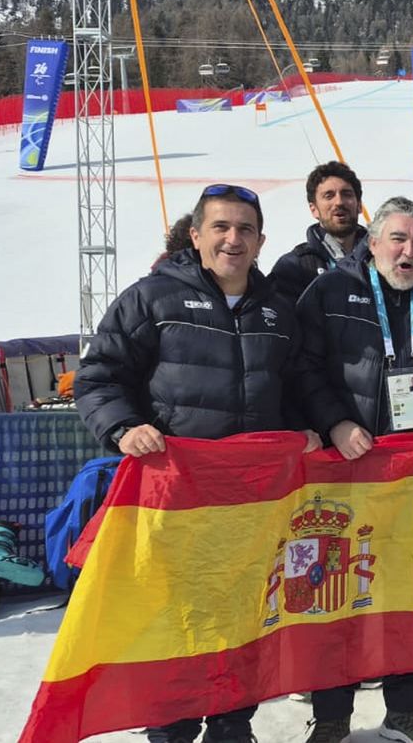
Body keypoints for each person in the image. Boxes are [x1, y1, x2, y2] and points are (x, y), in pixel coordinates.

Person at [75, 183, 317, 743]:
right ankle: (172, 728)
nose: (233, 240)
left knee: (246, 616)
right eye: (221, 228)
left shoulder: (278, 311)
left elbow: (300, 383)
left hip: (254, 503)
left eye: (245, 230)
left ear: (261, 241)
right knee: (175, 620)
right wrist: (122, 427)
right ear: (196, 235)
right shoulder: (153, 298)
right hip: (177, 499)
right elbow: (98, 377)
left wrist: (311, 429)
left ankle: (233, 726)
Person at [293, 196, 413, 743]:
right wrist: (333, 422)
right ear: (373, 242)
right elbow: (301, 367)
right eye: (398, 239)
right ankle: (331, 717)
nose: (410, 251)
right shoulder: (330, 292)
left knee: (406, 593)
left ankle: (405, 707)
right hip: (345, 472)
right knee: (336, 594)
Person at [269, 161, 367, 302]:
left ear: (359, 205)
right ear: (313, 209)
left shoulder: (381, 260)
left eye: (347, 194)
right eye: (329, 196)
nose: (339, 202)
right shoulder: (294, 266)